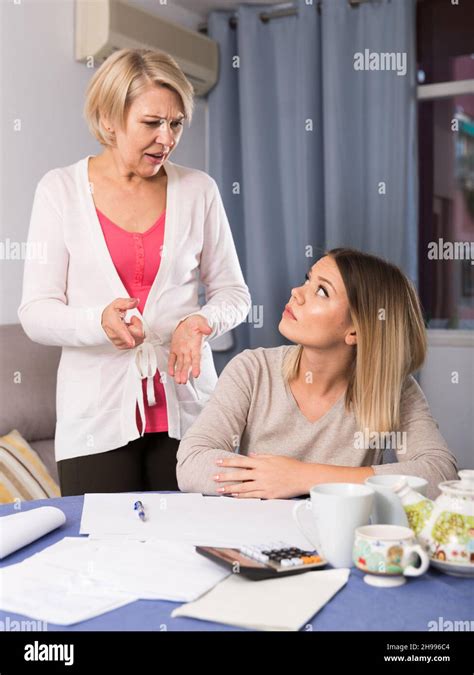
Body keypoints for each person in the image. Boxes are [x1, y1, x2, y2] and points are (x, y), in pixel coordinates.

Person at [18, 49, 251, 496]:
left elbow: (234, 293)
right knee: (103, 554)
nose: (166, 138)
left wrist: (198, 321)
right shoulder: (60, 190)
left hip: (190, 410)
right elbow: (36, 312)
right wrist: (96, 322)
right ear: (108, 119)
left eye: (176, 123)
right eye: (151, 123)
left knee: (193, 550)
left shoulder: (199, 189)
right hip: (95, 418)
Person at [177, 248, 458, 500]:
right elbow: (193, 462)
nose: (296, 293)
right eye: (307, 279)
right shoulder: (252, 370)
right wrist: (268, 478)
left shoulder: (394, 389)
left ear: (355, 331)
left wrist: (302, 477)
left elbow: (440, 475)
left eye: (321, 291)